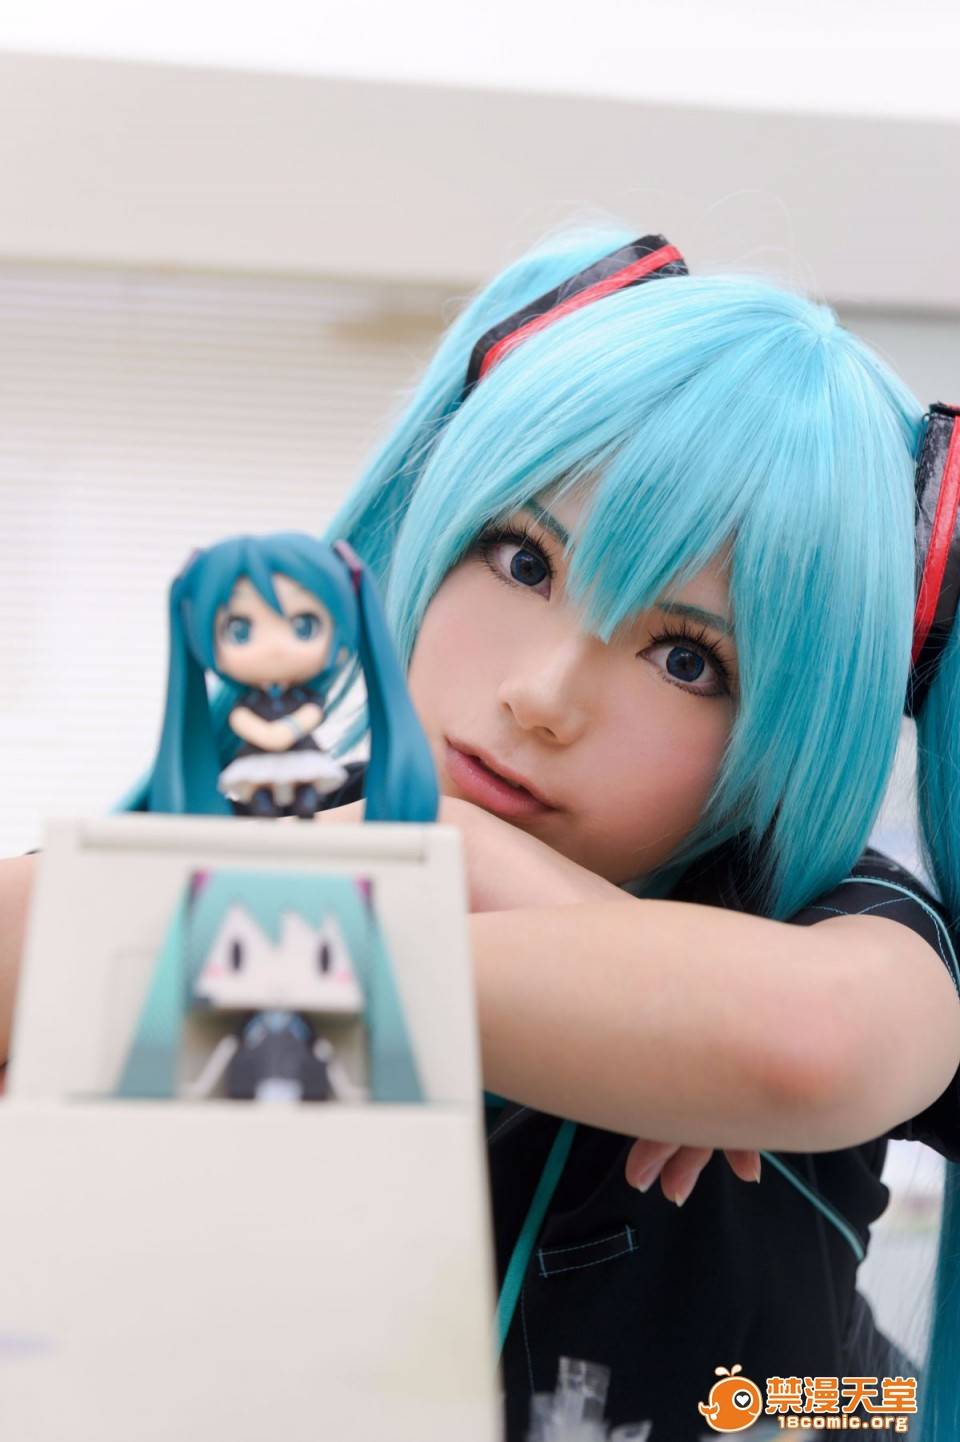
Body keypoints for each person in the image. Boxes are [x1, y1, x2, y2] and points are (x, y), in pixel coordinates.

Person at [2, 225, 959, 1439]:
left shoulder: (832, 920)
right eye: (524, 558)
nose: (544, 696)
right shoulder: (277, 816)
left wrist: (442, 856)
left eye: (686, 658)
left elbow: (813, 1042)